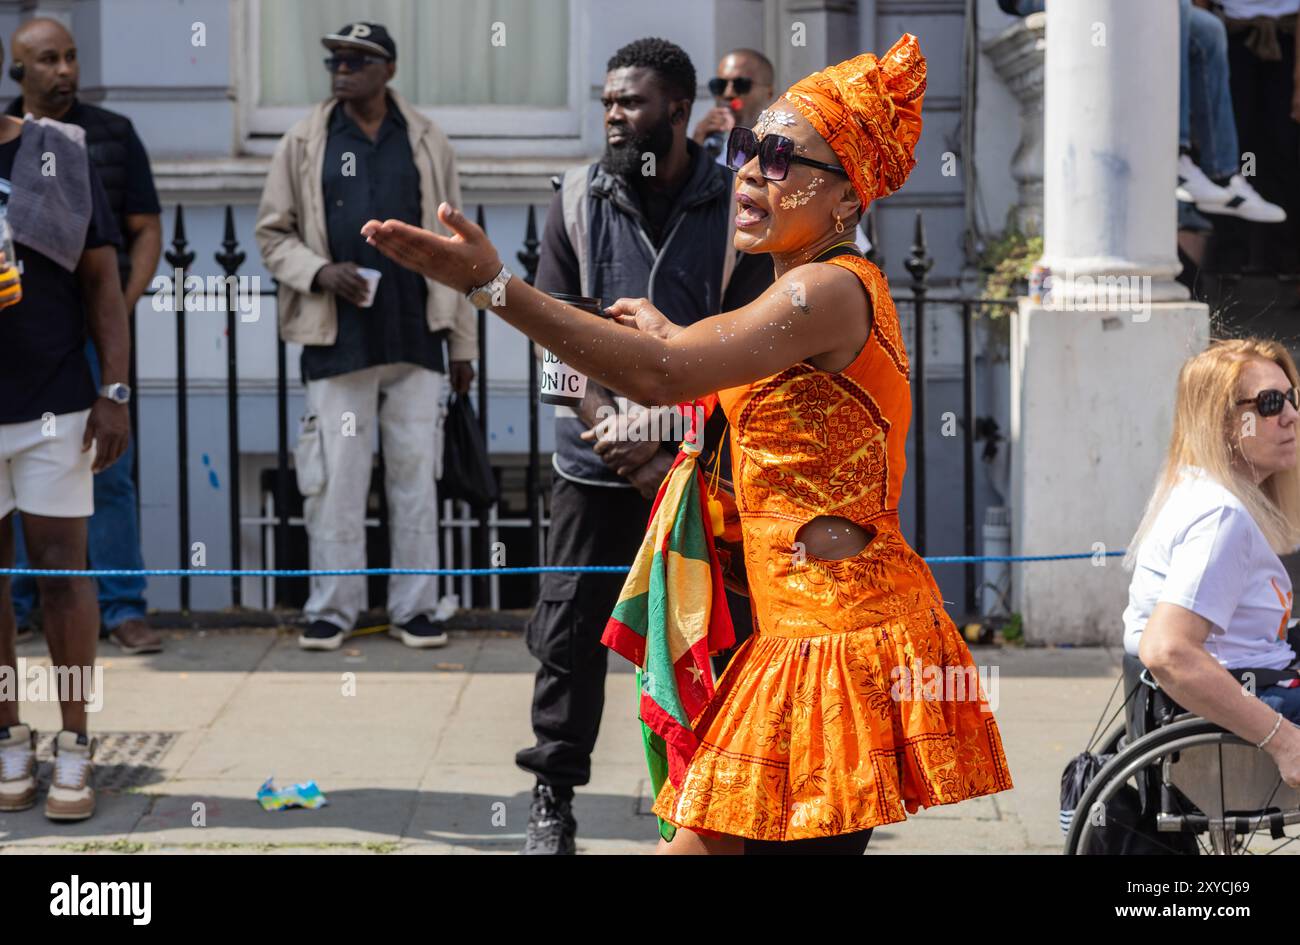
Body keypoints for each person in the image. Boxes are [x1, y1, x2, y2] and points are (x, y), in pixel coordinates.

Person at [363, 33, 1012, 854]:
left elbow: (666, 374)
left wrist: (495, 288)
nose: (747, 172)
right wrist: (671, 332)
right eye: (746, 148)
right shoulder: (806, 287)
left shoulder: (827, 287)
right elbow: (724, 364)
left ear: (848, 201)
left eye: (781, 160)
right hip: (796, 635)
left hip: (830, 642)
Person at [518, 37, 770, 855]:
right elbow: (557, 339)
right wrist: (628, 451)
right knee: (567, 635)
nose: (614, 116)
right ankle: (553, 797)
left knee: (709, 634)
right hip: (595, 465)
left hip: (700, 467)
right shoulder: (576, 200)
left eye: (630, 102)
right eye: (607, 103)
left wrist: (674, 457)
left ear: (676, 106)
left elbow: (746, 341)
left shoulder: (734, 201)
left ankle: (715, 800)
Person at [255, 21, 477, 652]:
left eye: (358, 59)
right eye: (335, 59)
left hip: (416, 333)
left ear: (389, 70)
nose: (342, 68)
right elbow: (273, 234)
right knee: (336, 480)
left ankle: (415, 607)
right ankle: (333, 606)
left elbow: (459, 246)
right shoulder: (304, 139)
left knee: (414, 475)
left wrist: (463, 345)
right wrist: (320, 272)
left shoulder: (425, 138)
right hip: (338, 337)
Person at [0, 31, 130, 820]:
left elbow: (103, 282)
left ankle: (74, 742)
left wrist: (113, 389)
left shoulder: (55, 153)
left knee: (61, 573)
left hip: (55, 397)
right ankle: (8, 736)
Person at [5, 17, 164, 655]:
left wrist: (118, 310)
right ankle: (20, 604)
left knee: (108, 474)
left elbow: (145, 229)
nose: (64, 70)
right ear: (19, 72)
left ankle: (124, 607)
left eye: (70, 57)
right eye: (48, 59)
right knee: (17, 478)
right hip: (21, 342)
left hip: (94, 332)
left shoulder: (109, 135)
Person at [1123, 339, 1300, 789]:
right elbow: (1168, 651)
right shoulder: (1220, 517)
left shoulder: (1204, 493)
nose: (1291, 415)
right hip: (1259, 701)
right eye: (1270, 403)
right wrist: (1285, 742)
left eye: (1291, 398)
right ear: (1222, 422)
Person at [691, 48, 775, 161]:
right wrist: (695, 151)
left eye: (741, 85)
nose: (728, 94)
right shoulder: (708, 142)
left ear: (768, 93)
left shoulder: (781, 143)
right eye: (720, 85)